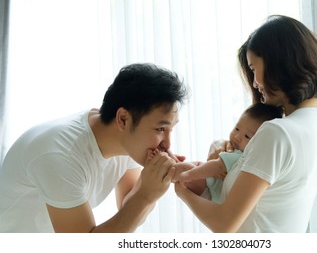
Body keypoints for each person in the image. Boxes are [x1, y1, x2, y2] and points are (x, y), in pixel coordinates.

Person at [175, 15, 317, 232]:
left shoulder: (276, 133)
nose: (254, 82)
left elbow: (225, 224)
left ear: (279, 64)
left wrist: (181, 191)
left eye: (253, 68)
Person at [0, 63, 188, 233]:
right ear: (123, 118)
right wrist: (147, 194)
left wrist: (152, 182)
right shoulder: (60, 156)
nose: (168, 144)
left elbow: (128, 208)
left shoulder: (128, 140)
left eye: (171, 129)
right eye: (161, 129)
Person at [173, 103, 282, 203]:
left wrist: (188, 175)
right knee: (183, 165)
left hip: (211, 191)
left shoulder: (240, 157)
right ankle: (167, 158)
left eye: (247, 136)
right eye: (237, 128)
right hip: (212, 186)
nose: (237, 137)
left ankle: (163, 166)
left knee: (182, 169)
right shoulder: (236, 150)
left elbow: (218, 166)